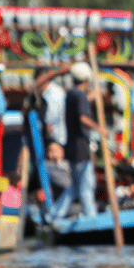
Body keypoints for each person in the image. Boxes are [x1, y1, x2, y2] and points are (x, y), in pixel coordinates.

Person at [49, 62, 105, 222]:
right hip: (80, 148)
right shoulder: (79, 96)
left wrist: (90, 98)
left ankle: (53, 215)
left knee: (75, 187)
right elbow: (82, 118)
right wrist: (100, 129)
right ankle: (92, 220)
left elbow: (78, 106)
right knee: (86, 186)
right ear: (86, 79)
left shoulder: (71, 94)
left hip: (73, 147)